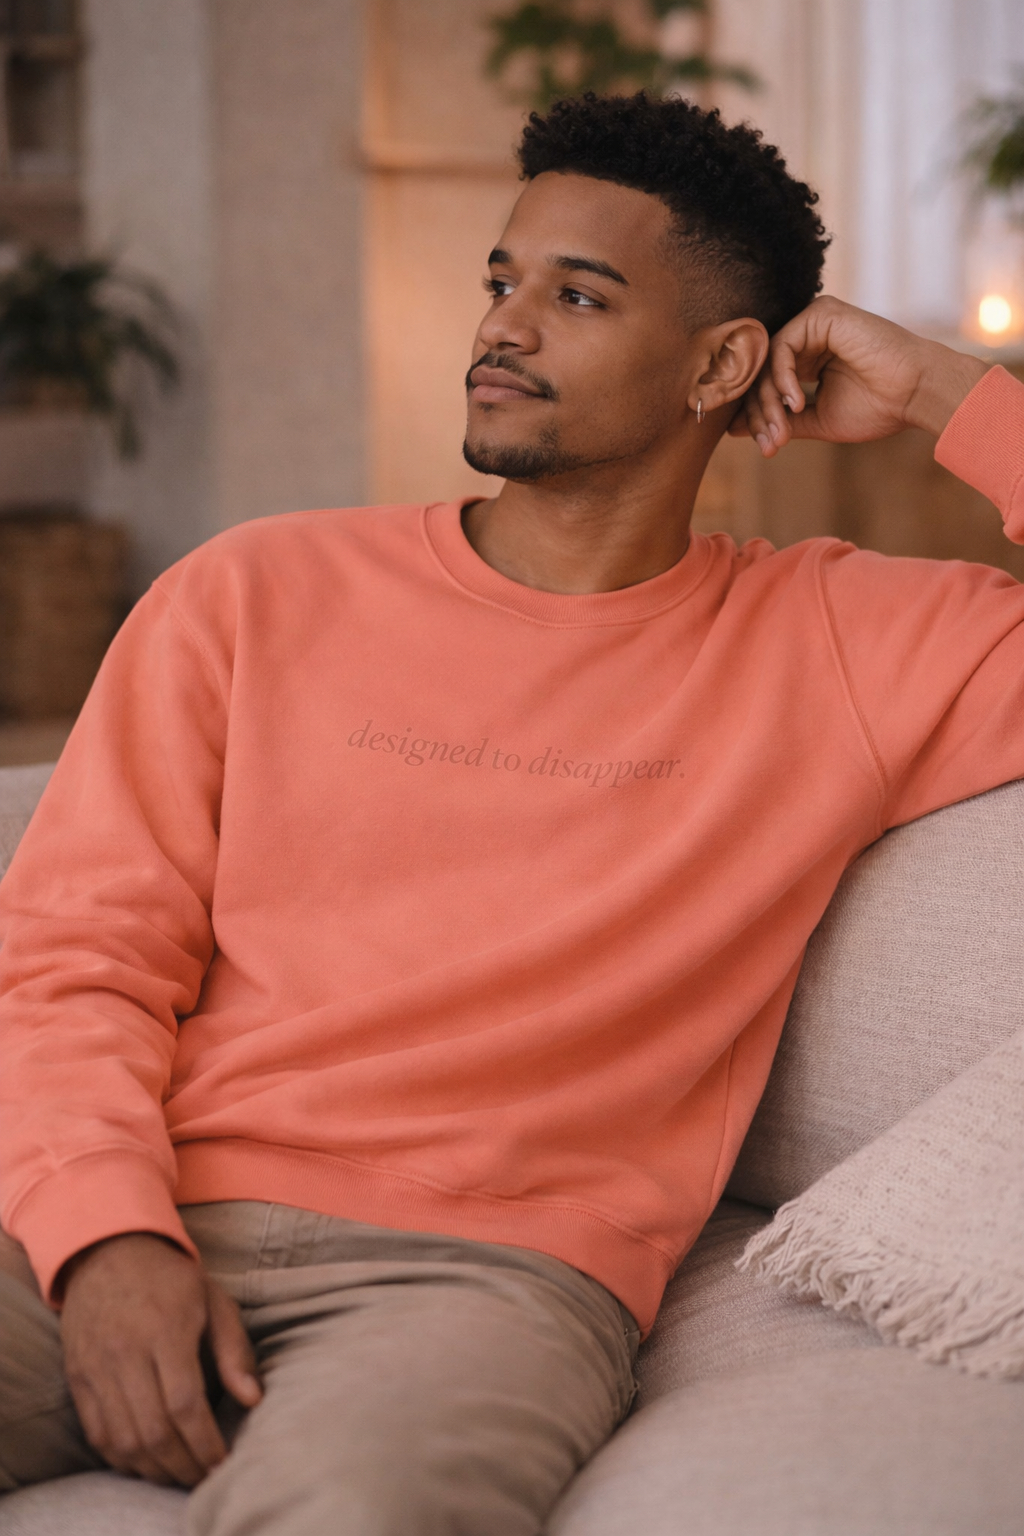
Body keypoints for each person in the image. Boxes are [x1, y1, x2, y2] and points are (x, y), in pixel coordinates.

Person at [0, 91, 1021, 1536]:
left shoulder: (847, 645)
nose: (504, 326)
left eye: (578, 295)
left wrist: (942, 391)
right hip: (149, 1193)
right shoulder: (252, 593)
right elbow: (77, 955)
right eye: (503, 279)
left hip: (488, 1279)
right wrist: (102, 1236)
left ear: (723, 362)